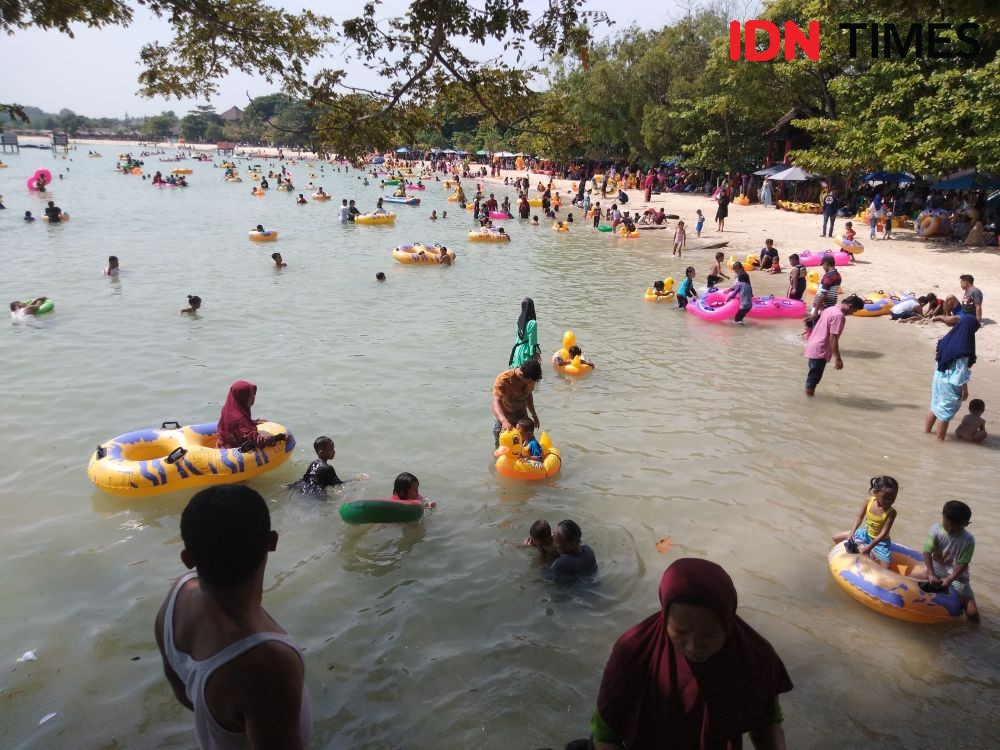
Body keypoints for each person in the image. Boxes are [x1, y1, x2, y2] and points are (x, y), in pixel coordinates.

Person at [154, 484, 311, 750]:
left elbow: (181, 687)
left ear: (187, 558)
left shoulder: (177, 597)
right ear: (272, 541)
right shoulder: (268, 664)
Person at [591, 558, 793, 750]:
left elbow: (765, 720)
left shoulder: (753, 656)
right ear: (664, 618)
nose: (693, 646)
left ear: (728, 624)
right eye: (681, 632)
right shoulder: (634, 652)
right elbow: (605, 733)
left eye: (709, 635)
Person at [910, 501, 979, 623]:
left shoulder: (968, 539)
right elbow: (927, 551)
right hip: (935, 569)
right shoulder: (935, 530)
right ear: (943, 516)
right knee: (913, 576)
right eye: (947, 526)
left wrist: (950, 579)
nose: (951, 529)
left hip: (957, 577)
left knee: (972, 613)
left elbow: (963, 563)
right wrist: (931, 573)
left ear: (966, 524)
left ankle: (974, 634)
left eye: (956, 527)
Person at [925, 296, 980, 440]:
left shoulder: (948, 340)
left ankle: (926, 433)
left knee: (935, 406)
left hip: (938, 377)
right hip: (950, 382)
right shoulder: (964, 349)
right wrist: (965, 390)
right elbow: (960, 373)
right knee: (945, 413)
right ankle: (939, 442)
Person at [833, 476, 899, 568]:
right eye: (885, 497)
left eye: (893, 498)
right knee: (836, 537)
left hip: (881, 542)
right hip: (865, 533)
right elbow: (859, 517)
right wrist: (852, 532)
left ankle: (870, 557)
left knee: (886, 566)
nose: (889, 501)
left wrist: (869, 548)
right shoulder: (869, 501)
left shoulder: (891, 513)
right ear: (875, 493)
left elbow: (882, 534)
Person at [805, 295, 865, 396]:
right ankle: (809, 402)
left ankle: (809, 400)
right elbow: (833, 338)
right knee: (812, 381)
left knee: (812, 378)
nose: (852, 313)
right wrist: (838, 358)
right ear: (850, 306)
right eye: (854, 310)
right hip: (820, 349)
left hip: (813, 346)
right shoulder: (839, 315)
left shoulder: (830, 308)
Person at [215, 380, 288, 450]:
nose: (253, 399)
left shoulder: (227, 408)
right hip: (233, 453)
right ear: (242, 397)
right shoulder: (241, 419)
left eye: (254, 396)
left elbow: (235, 426)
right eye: (250, 397)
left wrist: (252, 422)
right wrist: (279, 437)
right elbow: (259, 441)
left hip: (222, 445)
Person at [492, 359, 542, 447]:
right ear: (521, 374)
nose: (531, 384)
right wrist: (504, 421)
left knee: (528, 449)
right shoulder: (503, 380)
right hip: (504, 422)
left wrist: (534, 415)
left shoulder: (530, 379)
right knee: (502, 452)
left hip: (522, 422)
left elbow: (528, 395)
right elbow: (495, 402)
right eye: (530, 382)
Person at [509, 297, 540, 368]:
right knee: (529, 376)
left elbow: (517, 339)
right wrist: (535, 357)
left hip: (516, 352)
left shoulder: (519, 322)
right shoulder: (532, 323)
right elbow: (533, 343)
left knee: (517, 375)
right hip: (526, 353)